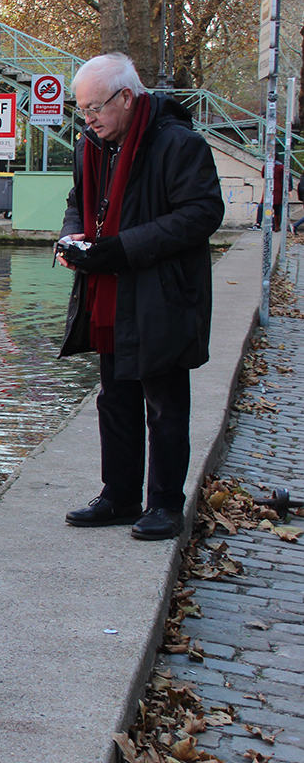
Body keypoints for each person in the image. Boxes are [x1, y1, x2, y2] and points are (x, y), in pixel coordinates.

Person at [56, 52, 225, 541]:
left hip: (161, 296)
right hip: (109, 292)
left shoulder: (178, 144)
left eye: (95, 108)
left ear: (127, 98)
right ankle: (119, 495)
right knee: (116, 398)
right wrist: (72, 240)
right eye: (81, 109)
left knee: (165, 404)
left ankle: (166, 506)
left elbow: (201, 214)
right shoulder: (92, 145)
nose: (87, 119)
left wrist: (120, 249)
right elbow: (77, 202)